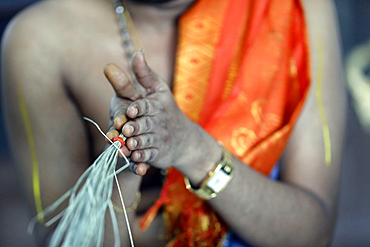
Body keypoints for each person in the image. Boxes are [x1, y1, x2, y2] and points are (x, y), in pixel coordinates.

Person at [1, 0, 346, 246]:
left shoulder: (292, 8)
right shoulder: (41, 40)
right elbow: (65, 241)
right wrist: (125, 158)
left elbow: (312, 234)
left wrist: (192, 148)